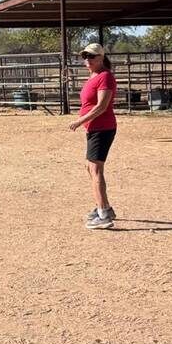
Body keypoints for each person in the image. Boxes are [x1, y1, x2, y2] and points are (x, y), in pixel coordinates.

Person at [69, 42, 117, 229]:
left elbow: (101, 106)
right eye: (85, 56)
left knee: (95, 170)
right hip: (94, 128)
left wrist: (79, 121)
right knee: (91, 169)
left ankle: (104, 213)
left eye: (91, 56)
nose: (87, 60)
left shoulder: (105, 77)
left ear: (101, 58)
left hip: (102, 128)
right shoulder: (94, 76)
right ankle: (103, 207)